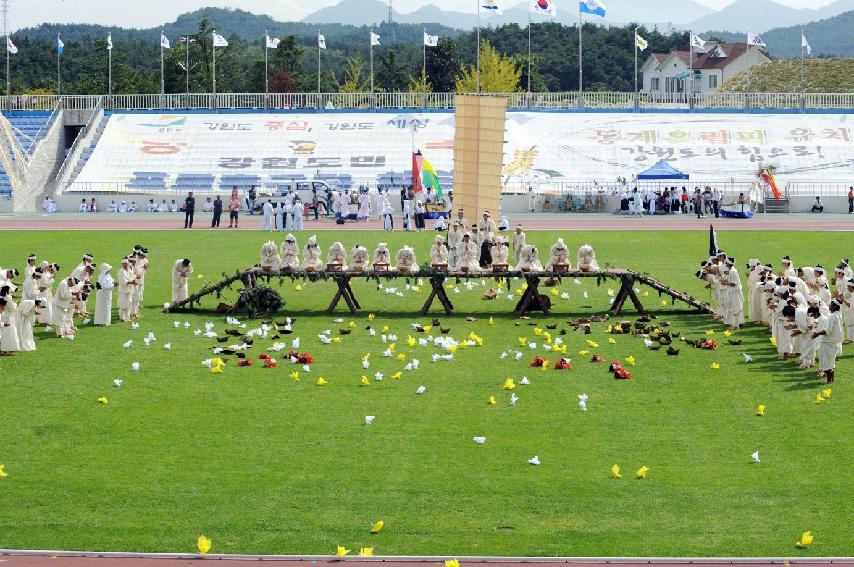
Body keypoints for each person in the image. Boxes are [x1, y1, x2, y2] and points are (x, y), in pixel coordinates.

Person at [814, 299, 844, 383]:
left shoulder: (832, 317)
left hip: (828, 342)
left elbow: (828, 331)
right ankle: (831, 380)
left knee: (825, 362)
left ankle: (829, 380)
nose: (829, 305)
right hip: (833, 341)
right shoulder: (838, 315)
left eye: (831, 304)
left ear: (834, 306)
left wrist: (817, 334)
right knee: (830, 362)